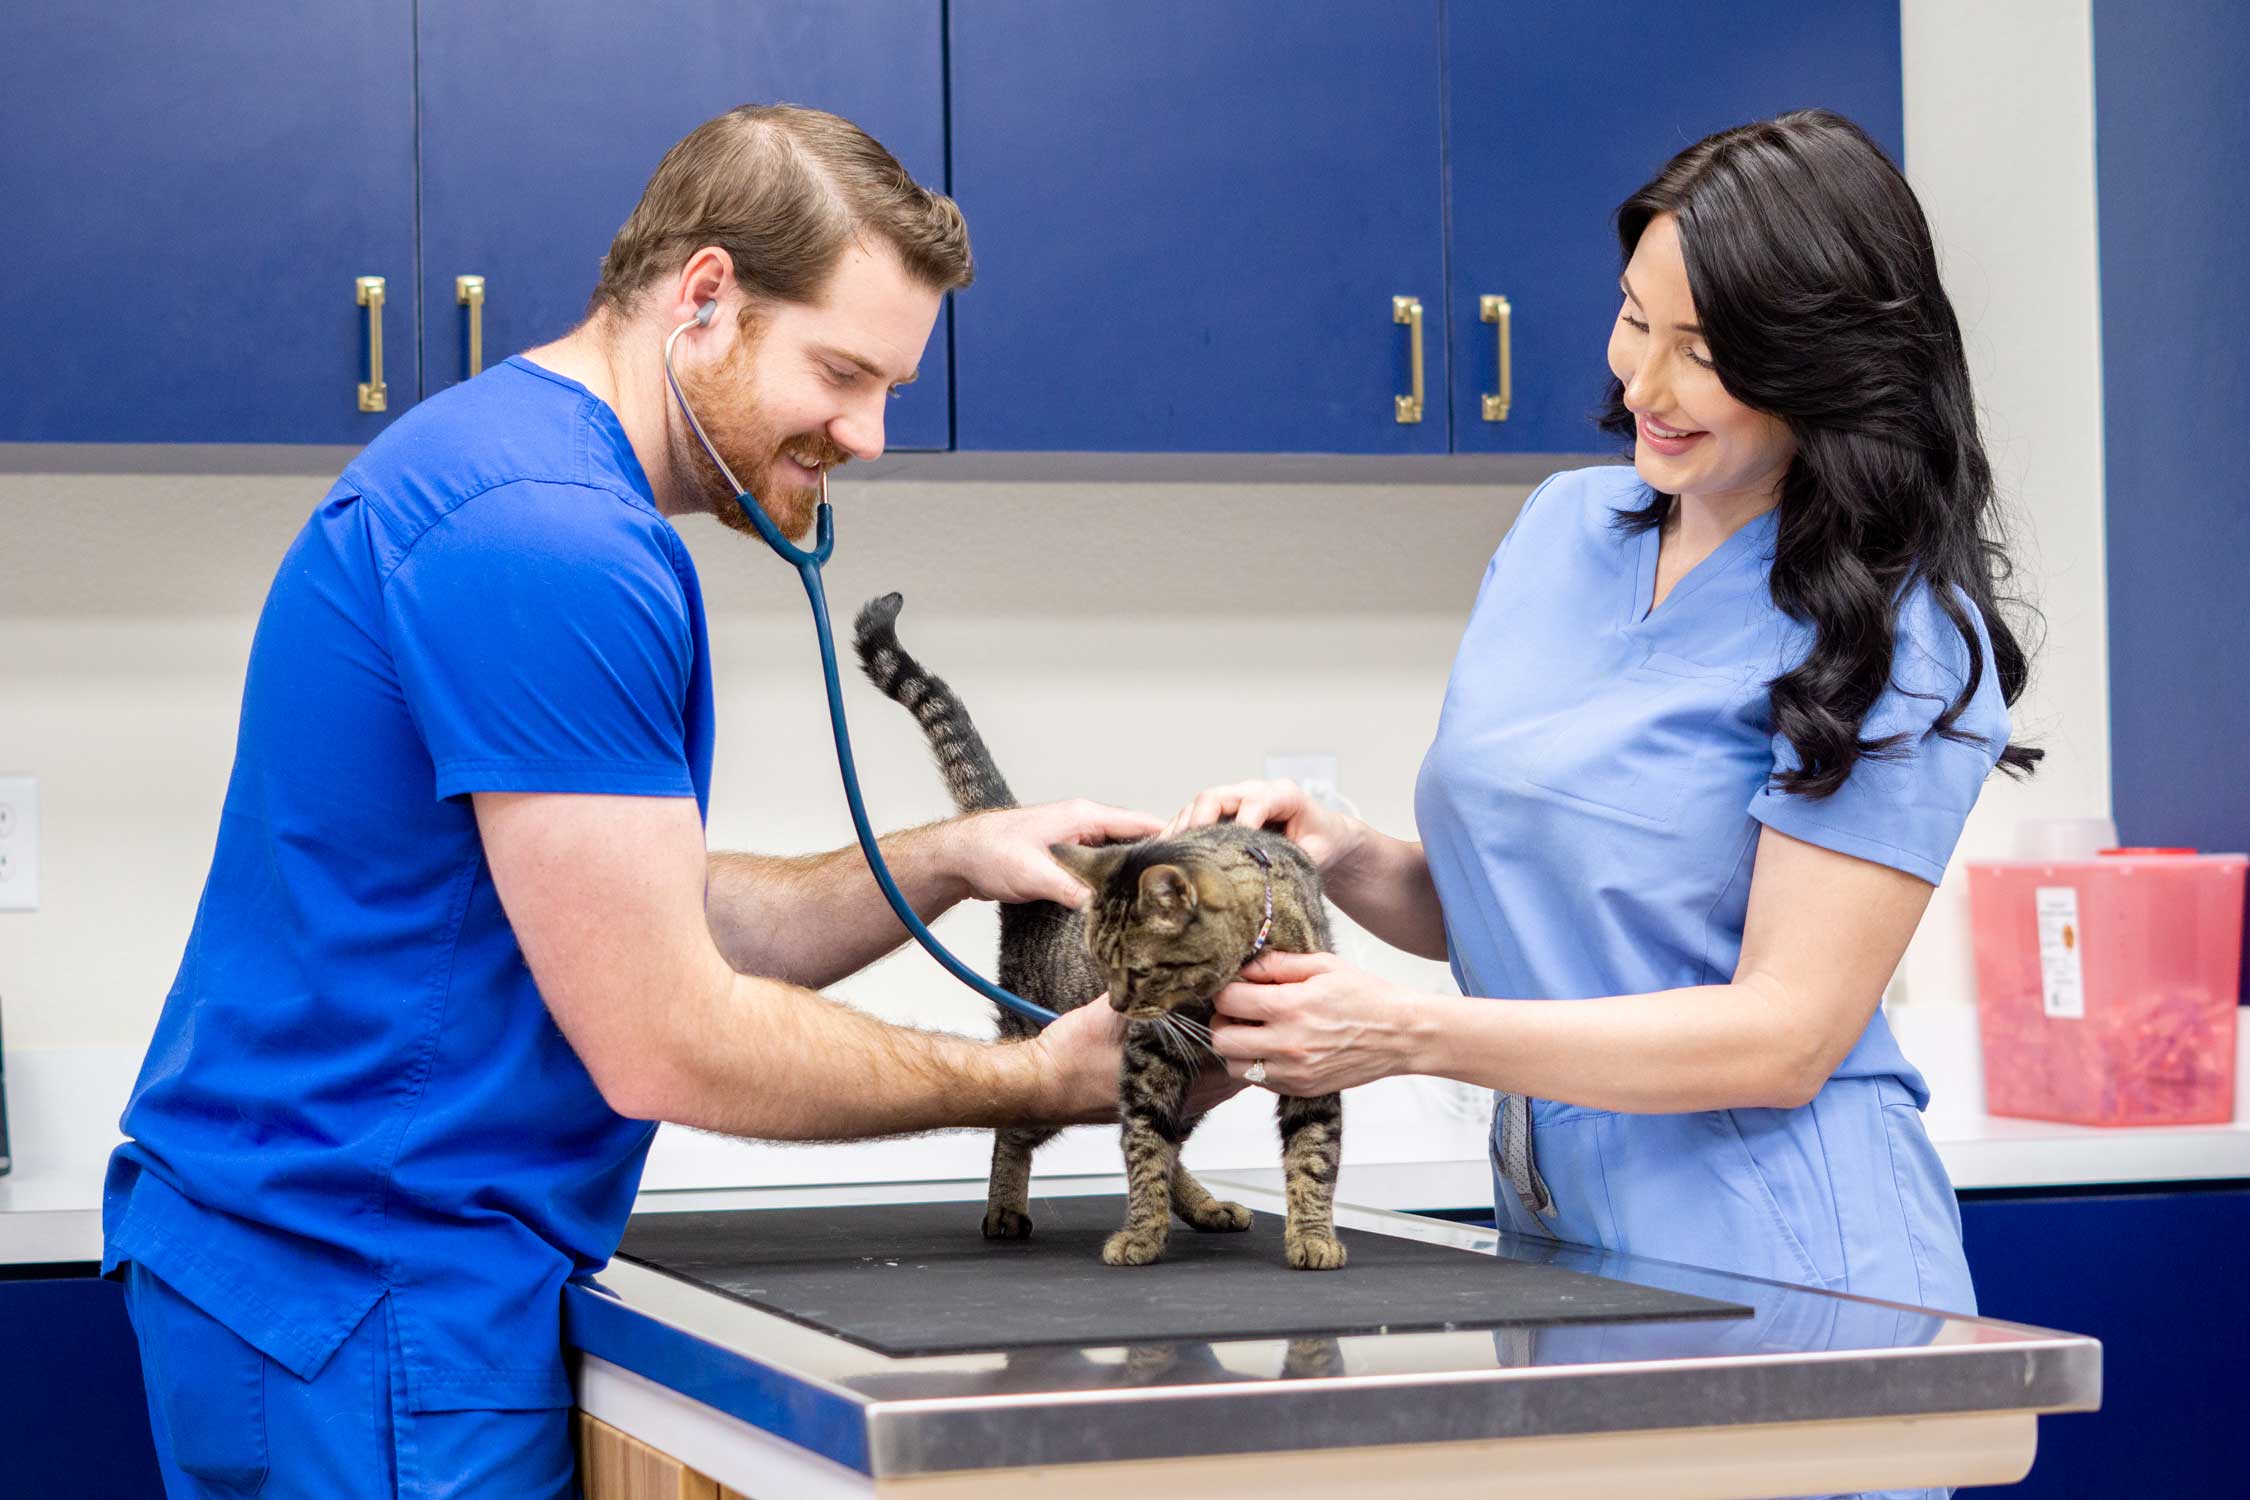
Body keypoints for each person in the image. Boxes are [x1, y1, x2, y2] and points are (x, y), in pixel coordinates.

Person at [102, 104, 1208, 1499]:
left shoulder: (514, 472)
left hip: (337, 1271)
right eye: (842, 373)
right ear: (705, 298)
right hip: (367, 1291)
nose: (867, 436)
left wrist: (948, 859)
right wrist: (1033, 1080)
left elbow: (644, 916)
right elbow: (666, 1039)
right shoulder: (552, 543)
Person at [1174, 108, 2029, 1425]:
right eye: (1636, 319)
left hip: (1792, 1273)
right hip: (1565, 1256)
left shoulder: (1900, 632)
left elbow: (1785, 1034)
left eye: (1707, 353)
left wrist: (1406, 1035)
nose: (1645, 384)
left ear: (1824, 364)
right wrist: (1340, 853)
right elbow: (1539, 908)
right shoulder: (1561, 529)